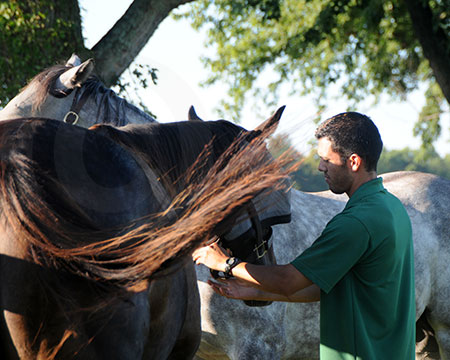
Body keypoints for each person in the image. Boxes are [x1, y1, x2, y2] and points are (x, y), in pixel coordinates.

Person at [193, 112, 416, 359]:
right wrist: (257, 293)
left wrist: (225, 263)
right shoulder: (393, 208)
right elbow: (332, 290)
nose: (321, 167)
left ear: (353, 162)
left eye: (326, 160)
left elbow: (289, 279)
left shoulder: (355, 223)